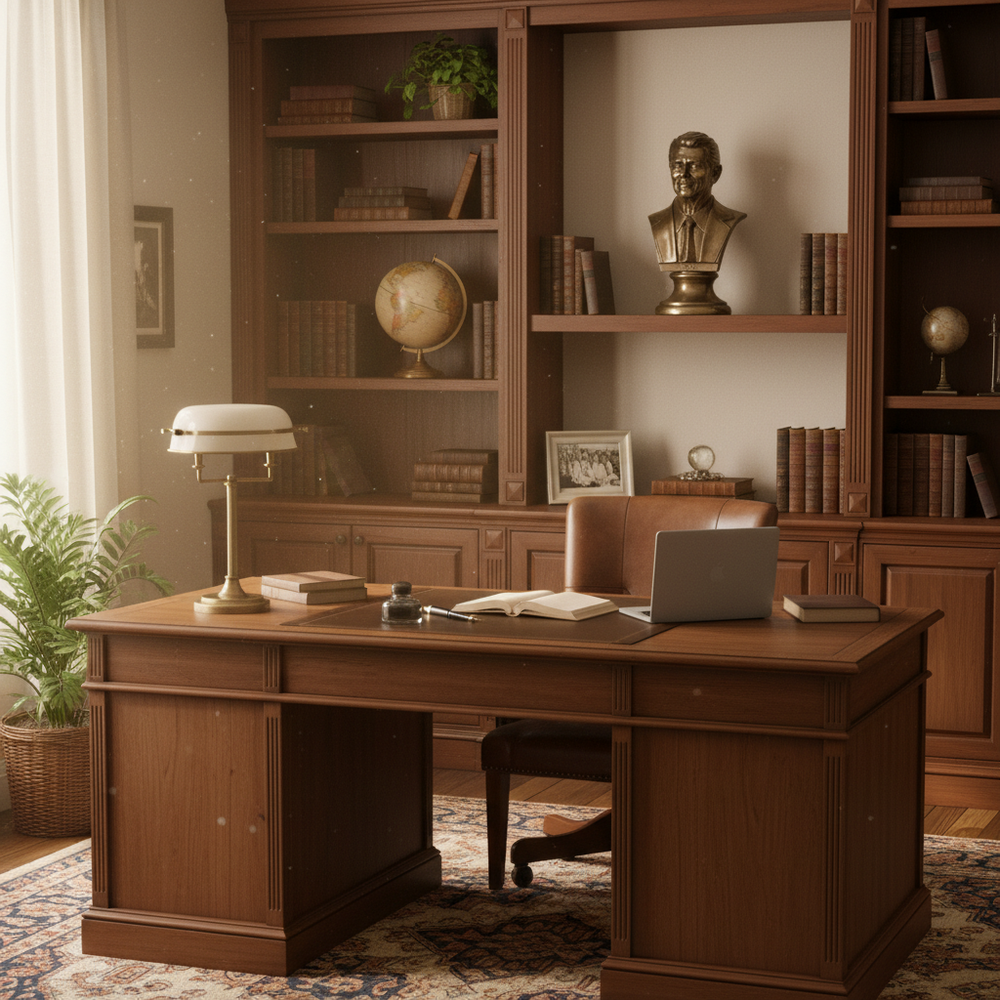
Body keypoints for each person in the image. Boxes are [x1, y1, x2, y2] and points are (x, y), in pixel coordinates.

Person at [648, 131, 746, 272]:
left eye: (694, 166)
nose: (684, 174)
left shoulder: (728, 219)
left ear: (715, 174)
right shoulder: (658, 222)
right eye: (678, 165)